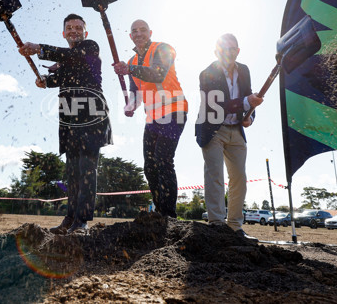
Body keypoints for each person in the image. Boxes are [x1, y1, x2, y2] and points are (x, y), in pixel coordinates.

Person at [18, 14, 112, 234]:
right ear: (64, 33)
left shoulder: (90, 47)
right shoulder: (65, 61)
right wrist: (43, 81)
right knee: (72, 172)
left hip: (92, 116)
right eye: (69, 28)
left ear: (85, 32)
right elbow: (54, 80)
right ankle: (69, 218)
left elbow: (74, 57)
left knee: (87, 168)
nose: (74, 31)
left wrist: (40, 48)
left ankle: (82, 221)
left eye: (78, 27)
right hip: (69, 119)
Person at [113, 19, 187, 218]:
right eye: (134, 31)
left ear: (150, 32)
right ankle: (159, 211)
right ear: (130, 36)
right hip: (152, 119)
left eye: (143, 30)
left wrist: (129, 70)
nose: (139, 34)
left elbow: (157, 75)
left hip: (174, 111)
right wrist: (130, 106)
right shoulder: (131, 62)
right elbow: (135, 92)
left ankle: (169, 216)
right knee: (149, 166)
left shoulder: (163, 48)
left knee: (163, 159)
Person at [195, 33, 263, 241]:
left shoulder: (244, 70)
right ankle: (216, 225)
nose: (229, 52)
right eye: (224, 49)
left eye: (233, 48)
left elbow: (249, 97)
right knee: (215, 175)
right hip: (213, 129)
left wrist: (250, 117)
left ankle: (235, 226)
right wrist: (244, 102)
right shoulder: (206, 74)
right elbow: (215, 104)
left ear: (238, 51)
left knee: (239, 178)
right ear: (216, 52)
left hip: (236, 131)